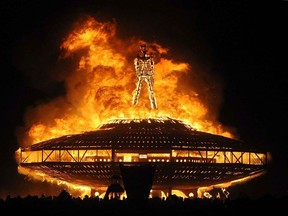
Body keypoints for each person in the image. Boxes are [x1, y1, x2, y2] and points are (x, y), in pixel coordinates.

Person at [132, 43, 157, 109]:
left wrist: (151, 72)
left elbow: (152, 66)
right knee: (137, 90)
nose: (143, 49)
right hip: (141, 74)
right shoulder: (139, 58)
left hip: (147, 74)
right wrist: (138, 72)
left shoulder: (148, 58)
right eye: (142, 48)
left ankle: (154, 107)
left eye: (144, 48)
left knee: (150, 91)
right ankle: (134, 105)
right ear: (140, 49)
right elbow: (137, 66)